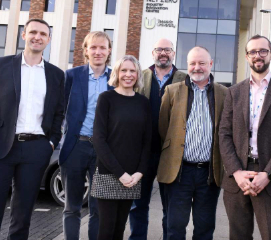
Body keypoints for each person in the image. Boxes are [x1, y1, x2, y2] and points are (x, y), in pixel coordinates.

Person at [219, 34, 271, 240]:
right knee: (238, 236)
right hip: (238, 177)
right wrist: (236, 171)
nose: (258, 55)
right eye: (253, 52)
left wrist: (269, 174)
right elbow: (224, 134)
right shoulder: (233, 92)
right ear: (247, 57)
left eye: (263, 51)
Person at [0, 18, 65, 240]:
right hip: (1, 149)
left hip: (36, 149)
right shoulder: (1, 65)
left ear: (48, 40)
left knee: (23, 214)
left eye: (43, 34)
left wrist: (50, 143)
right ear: (24, 35)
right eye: (33, 32)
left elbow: (58, 113)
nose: (37, 37)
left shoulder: (56, 74)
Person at [157, 46, 228, 240]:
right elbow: (164, 129)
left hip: (209, 173)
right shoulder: (172, 91)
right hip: (179, 172)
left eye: (202, 63)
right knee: (175, 227)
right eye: (192, 63)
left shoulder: (224, 93)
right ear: (187, 65)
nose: (197, 67)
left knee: (205, 227)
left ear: (210, 65)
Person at [129, 38, 186, 240]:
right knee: (138, 205)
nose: (163, 53)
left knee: (170, 207)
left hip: (170, 154)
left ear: (173, 53)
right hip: (143, 153)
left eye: (167, 50)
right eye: (159, 49)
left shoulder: (184, 79)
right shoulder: (141, 77)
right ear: (153, 53)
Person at [59, 31, 113, 240]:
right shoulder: (72, 75)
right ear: (86, 50)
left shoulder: (115, 78)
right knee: (71, 207)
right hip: (75, 147)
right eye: (93, 47)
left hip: (103, 151)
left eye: (102, 47)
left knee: (98, 208)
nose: (98, 51)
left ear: (108, 51)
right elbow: (60, 109)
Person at [91, 55, 151, 240]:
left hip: (133, 176)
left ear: (138, 74)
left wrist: (139, 172)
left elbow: (147, 141)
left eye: (132, 70)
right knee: (106, 230)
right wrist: (120, 174)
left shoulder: (143, 102)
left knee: (119, 229)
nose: (128, 74)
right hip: (109, 172)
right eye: (124, 70)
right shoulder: (106, 98)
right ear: (117, 73)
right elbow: (99, 140)